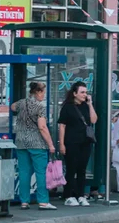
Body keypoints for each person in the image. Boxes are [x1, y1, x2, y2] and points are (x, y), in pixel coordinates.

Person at [11, 81, 57, 210]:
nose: (44, 95)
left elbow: (12, 107)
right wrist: (51, 144)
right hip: (37, 143)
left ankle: (24, 201)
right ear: (37, 92)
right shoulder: (40, 107)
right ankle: (43, 201)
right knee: (40, 173)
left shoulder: (21, 103)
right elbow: (42, 127)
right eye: (43, 92)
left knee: (24, 172)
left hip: (21, 142)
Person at [58, 81, 98, 206]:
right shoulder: (67, 107)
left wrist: (90, 104)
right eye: (82, 92)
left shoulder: (86, 106)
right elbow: (62, 126)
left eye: (86, 92)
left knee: (82, 169)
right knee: (71, 168)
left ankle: (80, 195)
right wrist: (62, 144)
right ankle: (68, 195)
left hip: (85, 142)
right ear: (74, 93)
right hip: (71, 142)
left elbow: (93, 120)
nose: (84, 95)